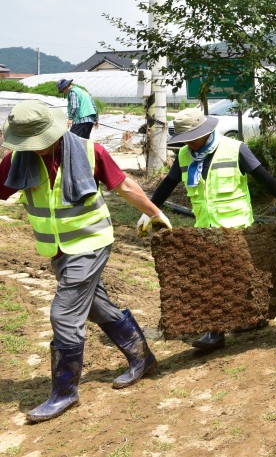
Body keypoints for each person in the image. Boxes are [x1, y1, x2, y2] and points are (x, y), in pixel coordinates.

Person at [0, 100, 169, 423]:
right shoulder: (17, 161)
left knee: (64, 312)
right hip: (58, 249)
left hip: (91, 243)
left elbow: (125, 185)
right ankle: (142, 357)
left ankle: (65, 391)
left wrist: (155, 213)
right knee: (94, 306)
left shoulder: (90, 152)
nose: (36, 149)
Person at [144, 108, 276, 350]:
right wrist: (150, 210)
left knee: (243, 278)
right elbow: (168, 183)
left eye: (191, 139)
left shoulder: (235, 149)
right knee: (212, 280)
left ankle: (250, 318)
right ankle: (214, 331)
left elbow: (262, 176)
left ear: (205, 132)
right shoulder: (186, 156)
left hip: (235, 227)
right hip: (205, 228)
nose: (189, 145)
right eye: (184, 141)